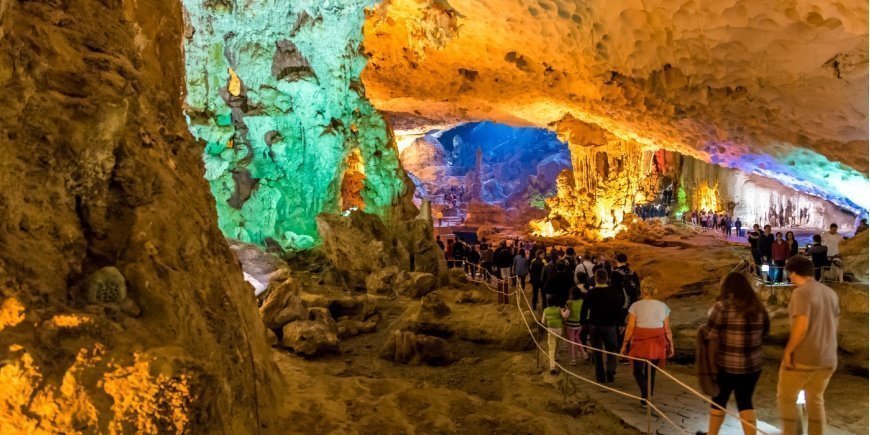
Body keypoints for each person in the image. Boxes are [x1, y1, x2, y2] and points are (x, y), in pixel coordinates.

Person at [778, 256, 839, 435]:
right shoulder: (830, 293)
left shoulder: (801, 293)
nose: (790, 279)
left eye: (790, 275)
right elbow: (834, 325)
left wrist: (788, 352)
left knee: (786, 398)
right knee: (815, 401)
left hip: (805, 357)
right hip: (828, 358)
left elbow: (801, 327)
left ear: (794, 273)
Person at [704, 272, 770, 435]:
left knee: (719, 401)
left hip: (726, 364)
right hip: (752, 366)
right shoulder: (759, 308)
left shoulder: (722, 307)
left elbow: (710, 335)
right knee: (745, 401)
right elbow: (764, 332)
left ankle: (712, 434)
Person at [620, 278, 673, 408]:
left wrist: (624, 344)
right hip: (657, 341)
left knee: (638, 370)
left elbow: (630, 327)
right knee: (651, 371)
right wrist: (671, 344)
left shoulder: (636, 306)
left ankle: (646, 395)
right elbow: (667, 328)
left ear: (642, 289)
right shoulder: (663, 306)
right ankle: (646, 397)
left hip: (640, 341)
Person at [581, 269, 624, 383]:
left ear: (596, 279)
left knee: (597, 351)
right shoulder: (613, 293)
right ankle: (611, 370)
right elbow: (618, 309)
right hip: (610, 325)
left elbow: (584, 309)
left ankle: (600, 375)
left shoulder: (591, 293)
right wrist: (620, 323)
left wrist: (583, 322)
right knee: (611, 349)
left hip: (595, 325)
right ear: (607, 279)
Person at [541, 295, 568, 374]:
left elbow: (543, 322)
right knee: (557, 343)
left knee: (551, 348)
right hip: (559, 330)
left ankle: (552, 366)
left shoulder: (545, 310)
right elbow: (564, 316)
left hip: (551, 330)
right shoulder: (559, 309)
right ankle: (556, 356)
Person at [564, 287, 587, 365]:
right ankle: (584, 354)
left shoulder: (569, 303)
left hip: (570, 324)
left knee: (571, 341)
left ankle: (573, 359)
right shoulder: (582, 301)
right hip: (579, 324)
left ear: (572, 295)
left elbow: (566, 315)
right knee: (577, 337)